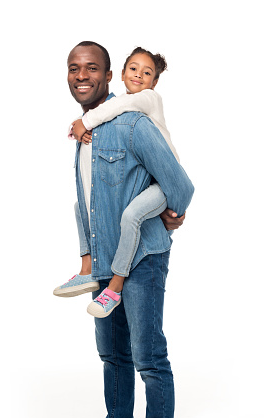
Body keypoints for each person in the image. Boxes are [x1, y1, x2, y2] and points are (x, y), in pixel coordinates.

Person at [60, 41, 194, 418]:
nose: (82, 76)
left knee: (148, 357)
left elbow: (180, 183)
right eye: (74, 68)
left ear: (108, 74)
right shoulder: (83, 135)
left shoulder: (134, 123)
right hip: (104, 264)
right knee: (111, 353)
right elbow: (85, 204)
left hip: (142, 259)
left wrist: (171, 216)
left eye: (91, 68)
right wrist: (85, 259)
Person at [54, 47, 190, 321]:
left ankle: (114, 287)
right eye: (134, 69)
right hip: (113, 239)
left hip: (162, 186)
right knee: (81, 204)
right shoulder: (116, 115)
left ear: (154, 82)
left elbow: (118, 105)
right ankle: (87, 270)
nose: (139, 75)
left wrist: (84, 121)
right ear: (123, 73)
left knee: (131, 215)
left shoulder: (145, 101)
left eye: (147, 72)